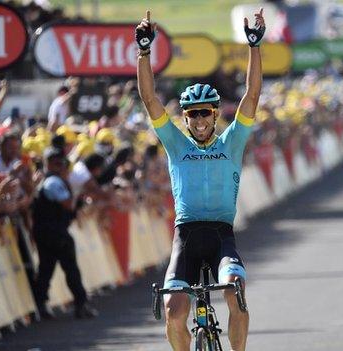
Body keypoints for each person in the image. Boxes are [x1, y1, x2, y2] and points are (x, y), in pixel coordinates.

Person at [136, 9, 265, 351]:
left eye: (205, 112)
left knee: (235, 292)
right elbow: (149, 99)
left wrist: (254, 45)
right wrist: (144, 52)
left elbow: (252, 95)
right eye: (192, 114)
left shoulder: (232, 141)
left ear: (215, 113)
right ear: (186, 117)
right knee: (173, 310)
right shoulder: (176, 143)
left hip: (222, 235)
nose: (199, 120)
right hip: (187, 236)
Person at [32, 147, 98, 319]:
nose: (60, 167)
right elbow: (68, 204)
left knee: (46, 270)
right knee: (69, 269)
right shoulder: (53, 182)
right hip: (55, 233)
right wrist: (76, 194)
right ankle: (80, 304)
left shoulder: (50, 181)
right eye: (56, 163)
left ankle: (41, 306)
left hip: (49, 232)